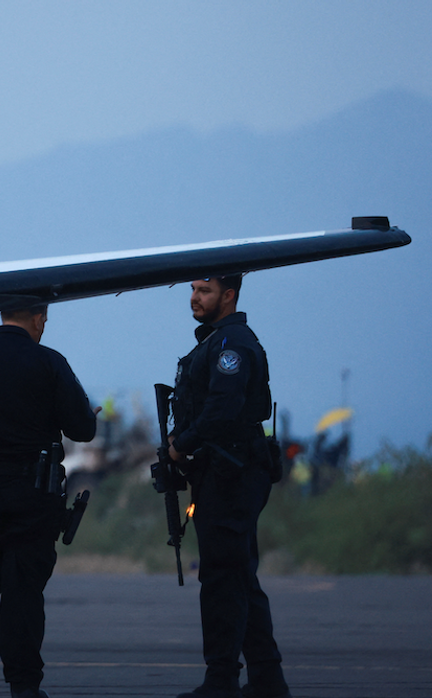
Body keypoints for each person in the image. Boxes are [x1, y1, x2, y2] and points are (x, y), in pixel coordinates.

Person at [0, 304, 100, 698]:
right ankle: (24, 686)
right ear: (39, 318)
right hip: (32, 493)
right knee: (23, 592)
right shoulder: (49, 362)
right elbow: (81, 428)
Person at [166, 275, 291, 698]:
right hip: (224, 472)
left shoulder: (231, 344)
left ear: (229, 295)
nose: (194, 298)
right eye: (193, 290)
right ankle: (267, 680)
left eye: (204, 291)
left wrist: (180, 446)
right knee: (237, 575)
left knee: (222, 577)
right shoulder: (216, 341)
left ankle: (221, 682)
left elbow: (222, 408)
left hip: (232, 473)